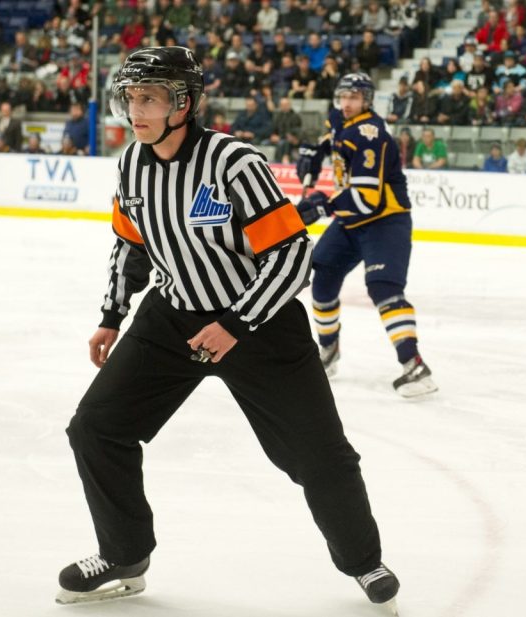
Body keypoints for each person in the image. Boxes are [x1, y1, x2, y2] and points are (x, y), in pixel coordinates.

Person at [57, 47, 401, 613]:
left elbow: (293, 255)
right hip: (171, 318)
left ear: (183, 103)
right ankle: (124, 554)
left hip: (259, 323)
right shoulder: (131, 164)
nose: (135, 109)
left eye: (149, 97)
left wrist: (236, 323)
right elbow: (129, 244)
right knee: (96, 428)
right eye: (131, 96)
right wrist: (111, 315)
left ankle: (364, 563)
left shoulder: (234, 163)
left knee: (320, 457)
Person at [296, 73, 437, 397]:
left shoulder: (371, 134)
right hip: (350, 221)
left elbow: (366, 198)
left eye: (355, 97)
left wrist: (322, 207)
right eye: (343, 96)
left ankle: (413, 364)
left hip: (384, 221)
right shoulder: (341, 121)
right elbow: (330, 140)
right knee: (322, 277)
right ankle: (328, 351)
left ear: (367, 101)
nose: (347, 103)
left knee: (383, 287)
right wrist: (314, 154)